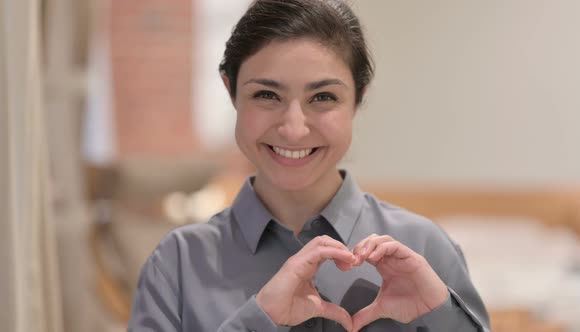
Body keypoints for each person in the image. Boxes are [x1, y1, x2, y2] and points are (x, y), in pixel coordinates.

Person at [127, 0, 491, 331]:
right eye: (267, 95)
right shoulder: (177, 264)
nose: (294, 128)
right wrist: (259, 321)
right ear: (231, 91)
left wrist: (446, 320)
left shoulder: (426, 247)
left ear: (358, 99)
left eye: (323, 97)